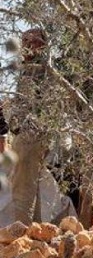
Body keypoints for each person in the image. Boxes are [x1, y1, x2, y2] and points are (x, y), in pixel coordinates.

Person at [6, 28, 50, 224]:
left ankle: (21, 233)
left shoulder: (37, 70)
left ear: (39, 45)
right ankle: (36, 233)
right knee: (33, 188)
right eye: (23, 41)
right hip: (32, 134)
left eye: (28, 41)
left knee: (22, 191)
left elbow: (29, 105)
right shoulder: (32, 68)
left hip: (30, 135)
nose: (24, 46)